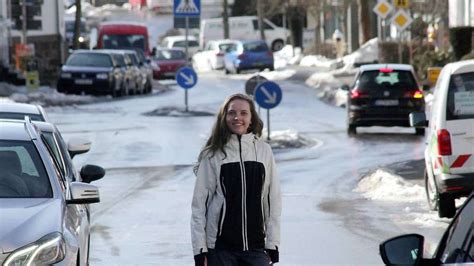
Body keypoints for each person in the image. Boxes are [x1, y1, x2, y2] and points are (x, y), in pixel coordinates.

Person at [191, 93, 281, 266]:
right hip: (220, 250)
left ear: (252, 118)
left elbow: (272, 201)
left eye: (243, 113)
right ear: (224, 117)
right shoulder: (212, 155)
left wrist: (272, 244)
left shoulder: (264, 151)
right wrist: (200, 250)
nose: (237, 117)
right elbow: (199, 206)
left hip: (256, 249)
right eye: (232, 113)